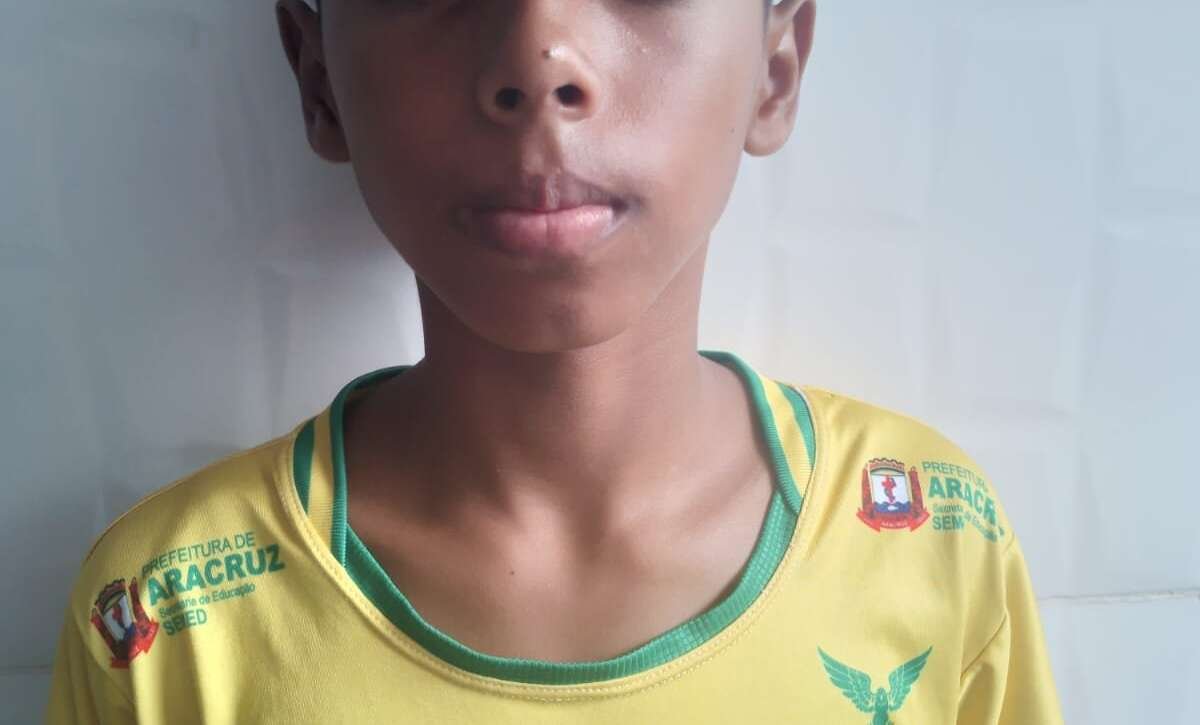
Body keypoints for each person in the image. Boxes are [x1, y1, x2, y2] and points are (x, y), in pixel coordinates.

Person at [44, 0, 1064, 722]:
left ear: (778, 61)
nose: (539, 57)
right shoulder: (165, 625)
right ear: (319, 78)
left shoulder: (931, 538)